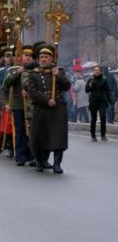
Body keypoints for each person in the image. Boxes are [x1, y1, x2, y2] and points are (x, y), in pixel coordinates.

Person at [25, 45, 71, 174]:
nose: (44, 59)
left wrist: (59, 76)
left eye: (46, 57)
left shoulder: (58, 71)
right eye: (41, 57)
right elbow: (32, 92)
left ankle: (57, 163)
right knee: (40, 136)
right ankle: (40, 161)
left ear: (51, 58)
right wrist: (46, 100)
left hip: (57, 109)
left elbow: (67, 86)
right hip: (41, 108)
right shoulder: (34, 74)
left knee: (58, 136)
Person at [1, 45, 36, 166]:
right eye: (26, 55)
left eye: (30, 56)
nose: (28, 58)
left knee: (33, 132)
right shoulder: (13, 70)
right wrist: (17, 73)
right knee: (20, 131)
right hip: (18, 105)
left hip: (33, 105)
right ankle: (20, 156)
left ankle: (33, 156)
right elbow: (6, 85)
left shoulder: (36, 70)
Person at [86, 65, 111, 142]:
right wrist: (90, 86)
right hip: (93, 101)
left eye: (98, 70)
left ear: (100, 71)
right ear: (93, 71)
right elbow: (87, 90)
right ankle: (93, 136)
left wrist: (110, 101)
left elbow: (107, 91)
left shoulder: (104, 80)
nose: (96, 71)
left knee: (103, 117)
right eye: (95, 70)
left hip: (102, 101)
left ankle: (103, 135)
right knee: (93, 119)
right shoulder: (90, 79)